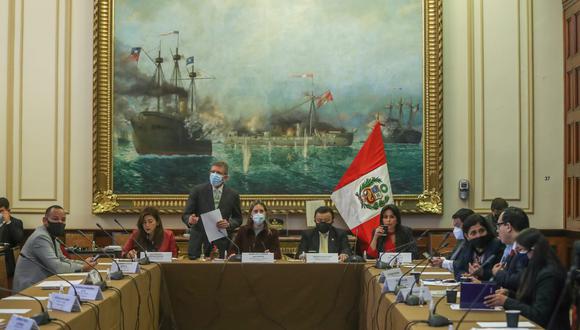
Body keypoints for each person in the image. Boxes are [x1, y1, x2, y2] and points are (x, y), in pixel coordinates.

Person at [484, 228, 570, 329]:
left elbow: (539, 315)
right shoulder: (537, 267)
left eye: (521, 250)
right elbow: (531, 299)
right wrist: (510, 294)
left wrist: (506, 301)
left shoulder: (550, 275)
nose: (520, 255)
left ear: (534, 249)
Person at [13, 205, 96, 292]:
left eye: (63, 220)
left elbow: (62, 259)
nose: (60, 222)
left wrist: (84, 263)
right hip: (29, 289)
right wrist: (82, 267)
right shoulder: (40, 237)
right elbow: (56, 267)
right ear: (45, 220)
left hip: (44, 283)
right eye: (55, 219)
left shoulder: (52, 235)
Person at [182, 161, 243, 259]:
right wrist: (190, 220)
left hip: (221, 244)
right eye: (212, 172)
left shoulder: (233, 194)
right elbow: (186, 214)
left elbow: (238, 218)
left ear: (226, 177)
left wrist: (229, 224)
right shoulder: (197, 190)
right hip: (199, 244)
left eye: (218, 173)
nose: (214, 175)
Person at [453, 213, 504, 281]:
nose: (478, 236)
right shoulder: (466, 247)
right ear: (467, 236)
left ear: (487, 230)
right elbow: (458, 270)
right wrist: (467, 277)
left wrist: (482, 273)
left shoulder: (498, 246)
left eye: (481, 231)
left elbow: (501, 274)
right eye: (473, 233)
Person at [491, 206, 529, 291]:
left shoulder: (526, 250)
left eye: (498, 226)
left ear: (508, 226)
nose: (497, 230)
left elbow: (520, 282)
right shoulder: (512, 248)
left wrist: (498, 274)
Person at [0, 197, 24, 277]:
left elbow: (18, 239)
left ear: (8, 211)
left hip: (7, 261)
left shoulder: (16, 222)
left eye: (1, 211)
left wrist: (8, 222)